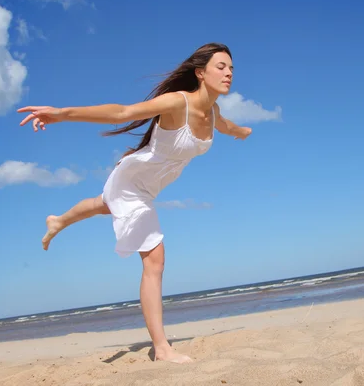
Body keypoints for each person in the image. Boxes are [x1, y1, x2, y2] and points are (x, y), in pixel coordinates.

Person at [17, 43, 252, 364]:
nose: (229, 73)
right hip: (133, 182)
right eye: (221, 67)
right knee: (154, 258)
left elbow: (225, 127)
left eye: (231, 69)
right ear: (200, 73)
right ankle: (162, 348)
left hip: (148, 186)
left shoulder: (213, 113)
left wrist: (241, 131)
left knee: (103, 204)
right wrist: (63, 114)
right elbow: (123, 112)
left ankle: (57, 221)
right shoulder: (176, 102)